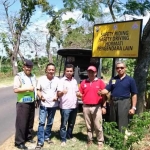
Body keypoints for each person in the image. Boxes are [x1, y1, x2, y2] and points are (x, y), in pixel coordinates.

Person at [99, 61, 138, 132]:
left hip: (124, 102)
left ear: (125, 68)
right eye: (117, 68)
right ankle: (113, 139)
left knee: (122, 123)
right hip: (113, 102)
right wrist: (100, 91)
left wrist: (133, 108)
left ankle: (121, 141)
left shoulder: (130, 80)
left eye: (121, 67)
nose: (119, 69)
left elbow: (134, 94)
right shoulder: (113, 79)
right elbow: (107, 90)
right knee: (113, 122)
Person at [77, 65, 106, 150]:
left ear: (96, 73)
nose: (90, 73)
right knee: (88, 126)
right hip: (86, 106)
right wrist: (78, 95)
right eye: (89, 72)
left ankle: (100, 141)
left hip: (96, 107)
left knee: (98, 125)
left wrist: (104, 106)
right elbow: (80, 94)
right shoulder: (83, 82)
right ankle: (90, 139)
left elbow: (104, 95)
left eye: (92, 72)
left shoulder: (100, 82)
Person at [13, 59, 37, 149]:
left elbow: (35, 89)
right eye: (27, 66)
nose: (28, 68)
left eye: (30, 67)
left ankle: (28, 137)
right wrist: (27, 88)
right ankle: (19, 142)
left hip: (31, 101)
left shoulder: (33, 76)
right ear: (23, 67)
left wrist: (36, 99)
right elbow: (15, 89)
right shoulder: (18, 76)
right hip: (22, 103)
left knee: (30, 122)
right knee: (21, 123)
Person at [35, 63, 59, 149]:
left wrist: (57, 96)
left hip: (53, 105)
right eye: (49, 69)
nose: (51, 71)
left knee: (50, 122)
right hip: (44, 105)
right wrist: (41, 96)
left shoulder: (57, 80)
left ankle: (47, 137)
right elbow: (38, 90)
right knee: (41, 123)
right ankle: (40, 141)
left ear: (54, 71)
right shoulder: (41, 79)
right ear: (46, 70)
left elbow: (58, 91)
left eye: (53, 70)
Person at [57, 64, 79, 146]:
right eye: (67, 71)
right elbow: (58, 94)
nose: (69, 72)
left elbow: (77, 92)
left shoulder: (74, 81)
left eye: (71, 71)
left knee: (71, 123)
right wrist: (62, 92)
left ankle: (69, 135)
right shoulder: (61, 81)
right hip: (65, 106)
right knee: (64, 124)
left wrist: (81, 94)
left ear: (73, 72)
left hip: (74, 105)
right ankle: (63, 139)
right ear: (64, 71)